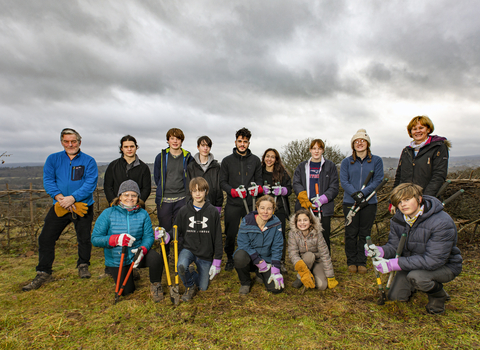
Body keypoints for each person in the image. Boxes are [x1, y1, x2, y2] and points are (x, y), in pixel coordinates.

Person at [366, 183, 462, 314]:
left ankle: (438, 295)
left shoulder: (441, 222)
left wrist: (394, 264)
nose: (403, 205)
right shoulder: (398, 220)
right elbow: (395, 246)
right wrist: (380, 251)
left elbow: (433, 260)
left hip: (444, 266)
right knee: (396, 297)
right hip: (411, 262)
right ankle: (417, 285)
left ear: (419, 199)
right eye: (399, 202)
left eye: (407, 199)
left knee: (417, 277)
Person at [23, 128, 98, 291]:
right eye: (66, 141)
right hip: (59, 206)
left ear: (80, 141)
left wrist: (73, 198)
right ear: (62, 142)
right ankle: (44, 271)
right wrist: (61, 198)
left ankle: (83, 265)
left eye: (73, 141)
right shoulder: (53, 159)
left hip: (83, 206)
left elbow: (90, 183)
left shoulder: (89, 161)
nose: (70, 144)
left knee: (84, 238)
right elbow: (48, 180)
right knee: (46, 238)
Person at [91, 180, 165, 302]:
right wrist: (116, 239)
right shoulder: (108, 213)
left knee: (156, 258)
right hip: (117, 259)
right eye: (126, 194)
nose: (130, 198)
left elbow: (148, 237)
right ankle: (131, 273)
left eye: (134, 195)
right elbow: (95, 239)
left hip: (136, 254)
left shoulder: (143, 214)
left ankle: (156, 285)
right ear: (119, 197)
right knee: (127, 291)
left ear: (138, 198)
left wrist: (143, 249)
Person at [340, 129, 384, 274]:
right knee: (351, 232)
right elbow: (344, 181)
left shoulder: (376, 160)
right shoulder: (346, 162)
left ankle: (362, 261)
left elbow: (377, 180)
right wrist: (354, 194)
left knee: (365, 233)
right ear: (353, 144)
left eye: (362, 141)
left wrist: (363, 193)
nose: (360, 143)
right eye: (356, 141)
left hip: (369, 202)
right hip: (350, 202)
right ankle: (351, 261)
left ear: (367, 143)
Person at [219, 127, 263, 271]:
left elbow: (260, 180)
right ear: (235, 142)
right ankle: (230, 258)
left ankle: (253, 258)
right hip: (233, 203)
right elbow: (222, 182)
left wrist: (258, 189)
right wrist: (232, 191)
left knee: (252, 231)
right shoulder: (227, 161)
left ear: (249, 143)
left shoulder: (256, 160)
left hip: (250, 204)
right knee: (231, 233)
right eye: (240, 141)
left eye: (245, 141)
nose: (242, 144)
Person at [175, 177, 223, 302]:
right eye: (194, 190)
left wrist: (217, 260)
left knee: (203, 287)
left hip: (205, 254)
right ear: (190, 192)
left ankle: (192, 272)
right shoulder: (183, 211)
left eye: (201, 190)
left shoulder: (213, 212)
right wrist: (167, 235)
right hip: (188, 249)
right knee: (181, 266)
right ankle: (189, 286)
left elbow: (218, 237)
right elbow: (176, 230)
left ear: (206, 191)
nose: (197, 194)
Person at [391, 115, 450, 214]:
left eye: (421, 128)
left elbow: (438, 176)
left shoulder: (438, 147)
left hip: (427, 202)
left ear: (428, 129)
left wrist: (424, 199)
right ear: (411, 132)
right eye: (414, 129)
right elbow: (399, 177)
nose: (418, 131)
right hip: (405, 202)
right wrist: (393, 200)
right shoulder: (407, 151)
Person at [293, 139, 339, 252]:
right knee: (305, 237)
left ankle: (324, 263)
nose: (316, 151)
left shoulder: (330, 166)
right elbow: (296, 183)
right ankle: (307, 262)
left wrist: (324, 198)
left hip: (323, 209)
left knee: (323, 237)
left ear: (323, 150)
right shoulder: (302, 166)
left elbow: (334, 186)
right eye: (314, 148)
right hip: (306, 208)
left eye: (319, 148)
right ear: (310, 150)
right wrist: (303, 197)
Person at [234, 195, 284, 295]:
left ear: (273, 210)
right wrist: (258, 261)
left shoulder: (276, 223)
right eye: (262, 208)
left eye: (269, 209)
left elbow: (277, 247)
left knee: (276, 289)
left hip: (267, 261)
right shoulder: (247, 221)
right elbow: (243, 243)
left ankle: (260, 274)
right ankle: (245, 283)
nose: (265, 212)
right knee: (239, 256)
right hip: (251, 259)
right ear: (257, 208)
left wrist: (275, 269)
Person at [154, 128, 193, 254]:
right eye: (172, 138)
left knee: (180, 229)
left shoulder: (187, 157)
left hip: (182, 199)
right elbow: (157, 177)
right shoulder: (160, 157)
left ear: (182, 141)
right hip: (164, 200)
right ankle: (164, 255)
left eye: (178, 138)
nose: (175, 141)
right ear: (168, 140)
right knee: (164, 229)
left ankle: (180, 256)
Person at [288, 209, 338, 290]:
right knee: (309, 256)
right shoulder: (292, 234)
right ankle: (300, 277)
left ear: (310, 222)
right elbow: (293, 253)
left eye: (305, 220)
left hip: (317, 261)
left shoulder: (317, 233)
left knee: (322, 286)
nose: (302, 223)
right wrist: (301, 268)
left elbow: (324, 254)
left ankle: (313, 274)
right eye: (299, 220)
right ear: (296, 223)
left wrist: (330, 275)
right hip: (303, 261)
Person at [261, 148, 292, 273]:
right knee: (264, 234)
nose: (269, 159)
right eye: (267, 156)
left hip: (279, 208)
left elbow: (290, 189)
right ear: (264, 158)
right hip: (263, 210)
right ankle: (265, 261)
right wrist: (260, 189)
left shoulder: (282, 172)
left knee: (279, 235)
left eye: (272, 157)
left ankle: (280, 261)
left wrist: (283, 190)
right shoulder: (259, 172)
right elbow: (254, 186)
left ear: (276, 159)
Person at [104, 135, 151, 205]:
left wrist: (138, 203)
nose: (129, 149)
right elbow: (108, 187)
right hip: (116, 207)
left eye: (132, 146)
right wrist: (113, 202)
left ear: (136, 147)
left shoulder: (144, 168)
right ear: (121, 149)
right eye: (126, 147)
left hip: (137, 207)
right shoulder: (113, 166)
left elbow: (146, 189)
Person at [186, 136, 223, 214]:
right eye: (203, 145)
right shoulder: (191, 167)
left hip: (212, 205)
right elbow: (188, 188)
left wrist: (218, 206)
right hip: (195, 206)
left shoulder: (216, 166)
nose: (205, 148)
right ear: (198, 147)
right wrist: (189, 206)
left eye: (208, 146)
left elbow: (218, 188)